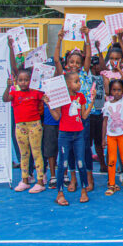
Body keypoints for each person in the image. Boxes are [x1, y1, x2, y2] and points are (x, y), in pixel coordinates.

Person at [44, 72, 95, 206]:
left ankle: (84, 191)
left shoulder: (81, 96)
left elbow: (84, 116)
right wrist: (49, 104)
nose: (79, 84)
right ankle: (60, 193)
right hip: (65, 135)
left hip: (78, 134)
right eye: (76, 81)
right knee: (63, 164)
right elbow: (56, 117)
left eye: (78, 81)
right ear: (67, 84)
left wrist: (92, 101)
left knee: (81, 163)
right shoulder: (63, 98)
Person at [2, 68, 46, 193]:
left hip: (34, 126)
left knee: (36, 153)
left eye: (26, 80)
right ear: (16, 81)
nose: (23, 83)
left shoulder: (36, 93)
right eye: (20, 80)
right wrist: (7, 87)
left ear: (30, 81)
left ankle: (40, 181)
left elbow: (46, 98)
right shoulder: (14, 94)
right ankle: (25, 180)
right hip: (20, 127)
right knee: (24, 154)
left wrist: (46, 98)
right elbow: (5, 99)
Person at [102, 75, 123, 196]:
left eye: (119, 90)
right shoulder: (107, 105)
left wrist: (121, 70)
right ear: (110, 91)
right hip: (111, 136)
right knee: (111, 160)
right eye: (114, 90)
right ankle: (111, 184)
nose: (117, 92)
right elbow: (105, 122)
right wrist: (103, 138)